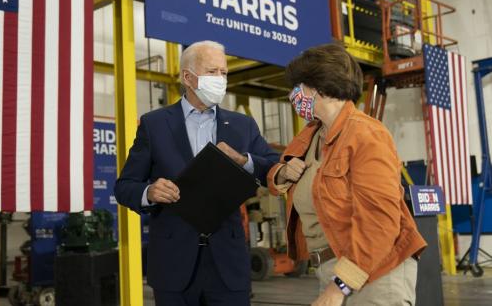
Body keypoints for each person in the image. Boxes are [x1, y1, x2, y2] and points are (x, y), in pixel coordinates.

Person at [114, 41, 279, 306]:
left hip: (228, 265)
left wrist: (244, 160)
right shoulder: (154, 125)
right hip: (173, 266)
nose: (220, 79)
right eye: (212, 72)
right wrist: (150, 192)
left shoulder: (242, 125)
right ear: (188, 78)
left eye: (224, 73)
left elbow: (275, 166)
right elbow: (124, 186)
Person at [267, 43, 427, 306]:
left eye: (299, 87)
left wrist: (340, 285)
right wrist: (282, 174)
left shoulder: (366, 135)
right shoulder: (311, 135)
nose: (293, 95)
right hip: (332, 269)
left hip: (374, 274)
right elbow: (281, 174)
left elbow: (379, 221)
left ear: (319, 88)